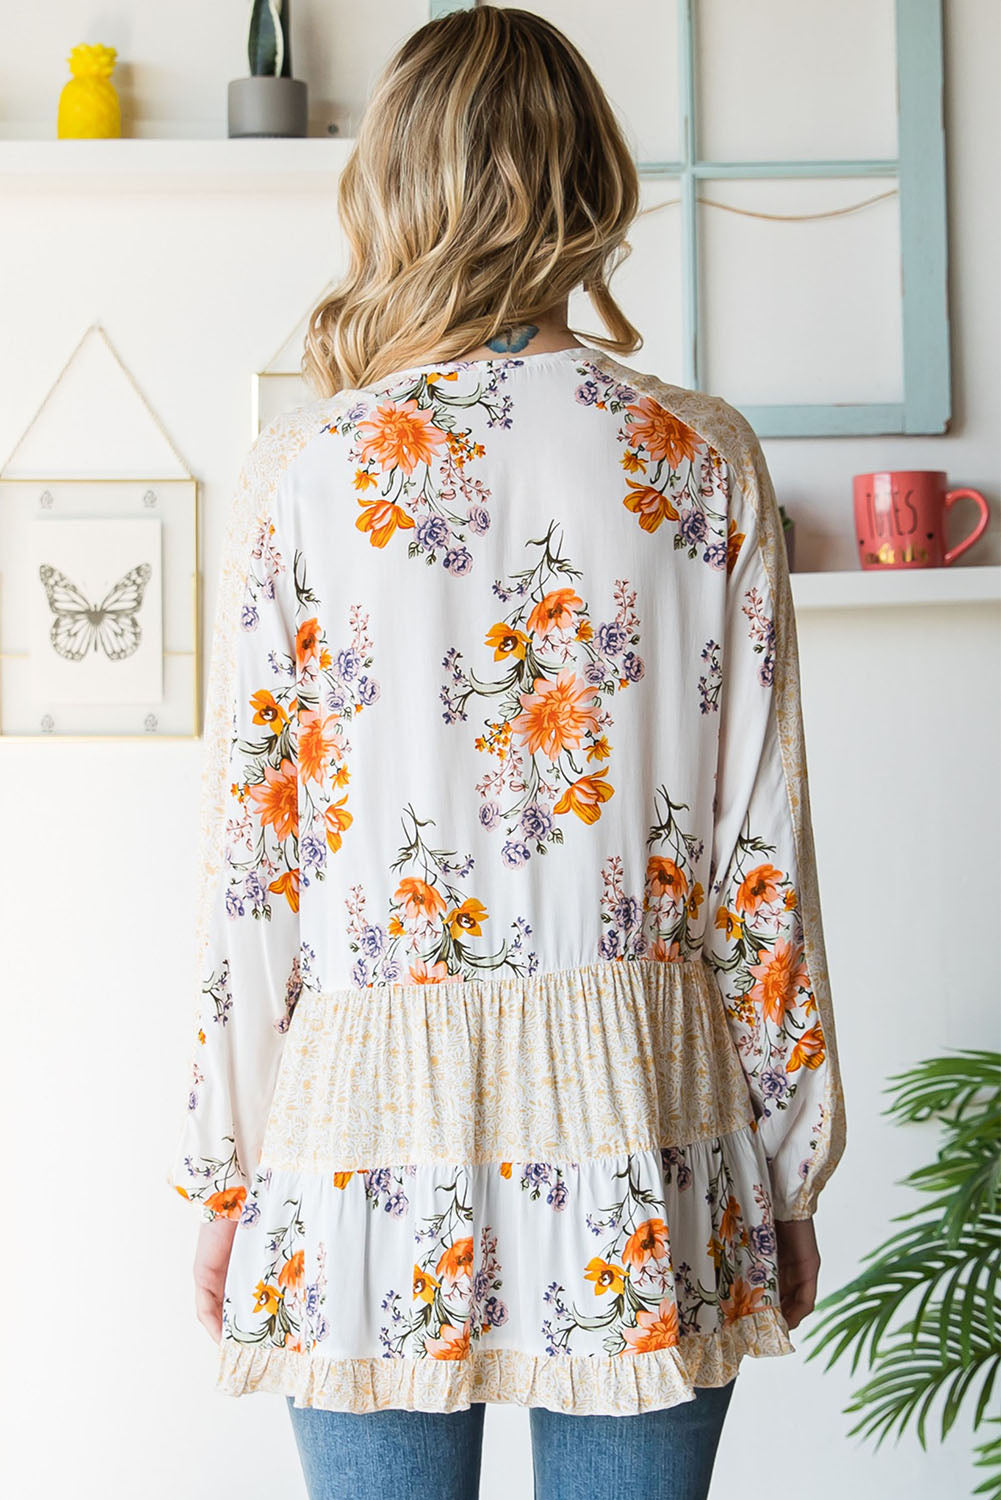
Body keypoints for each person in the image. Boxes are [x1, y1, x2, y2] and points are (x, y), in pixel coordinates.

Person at [167, 7, 847, 1498]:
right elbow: (760, 848)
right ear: (592, 176)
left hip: (361, 1131)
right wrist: (788, 1162)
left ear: (390, 182)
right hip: (642, 1112)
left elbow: (257, 860)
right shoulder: (698, 455)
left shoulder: (308, 469)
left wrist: (227, 1167)